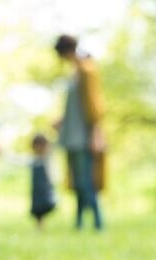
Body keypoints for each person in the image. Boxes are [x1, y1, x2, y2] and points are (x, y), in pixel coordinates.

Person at [54, 34, 106, 231]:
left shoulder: (87, 70)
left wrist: (95, 134)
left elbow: (94, 106)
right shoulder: (75, 72)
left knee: (86, 181)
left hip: (84, 136)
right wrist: (62, 121)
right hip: (71, 135)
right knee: (77, 181)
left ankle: (98, 222)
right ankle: (79, 223)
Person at [4, 133, 57, 230]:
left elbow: (55, 144)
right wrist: (4, 154)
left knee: (47, 205)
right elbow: (17, 160)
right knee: (38, 211)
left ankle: (41, 226)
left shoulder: (47, 159)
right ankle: (40, 227)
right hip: (37, 191)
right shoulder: (33, 160)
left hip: (46, 190)